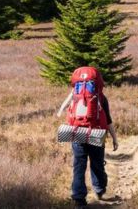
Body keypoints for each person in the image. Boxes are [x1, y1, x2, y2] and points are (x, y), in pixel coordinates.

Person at [56, 67, 119, 207]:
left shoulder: (75, 93)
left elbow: (63, 109)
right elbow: (108, 120)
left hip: (77, 133)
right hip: (96, 134)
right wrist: (114, 138)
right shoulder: (101, 97)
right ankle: (99, 189)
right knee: (97, 163)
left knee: (79, 165)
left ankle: (79, 198)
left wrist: (61, 114)